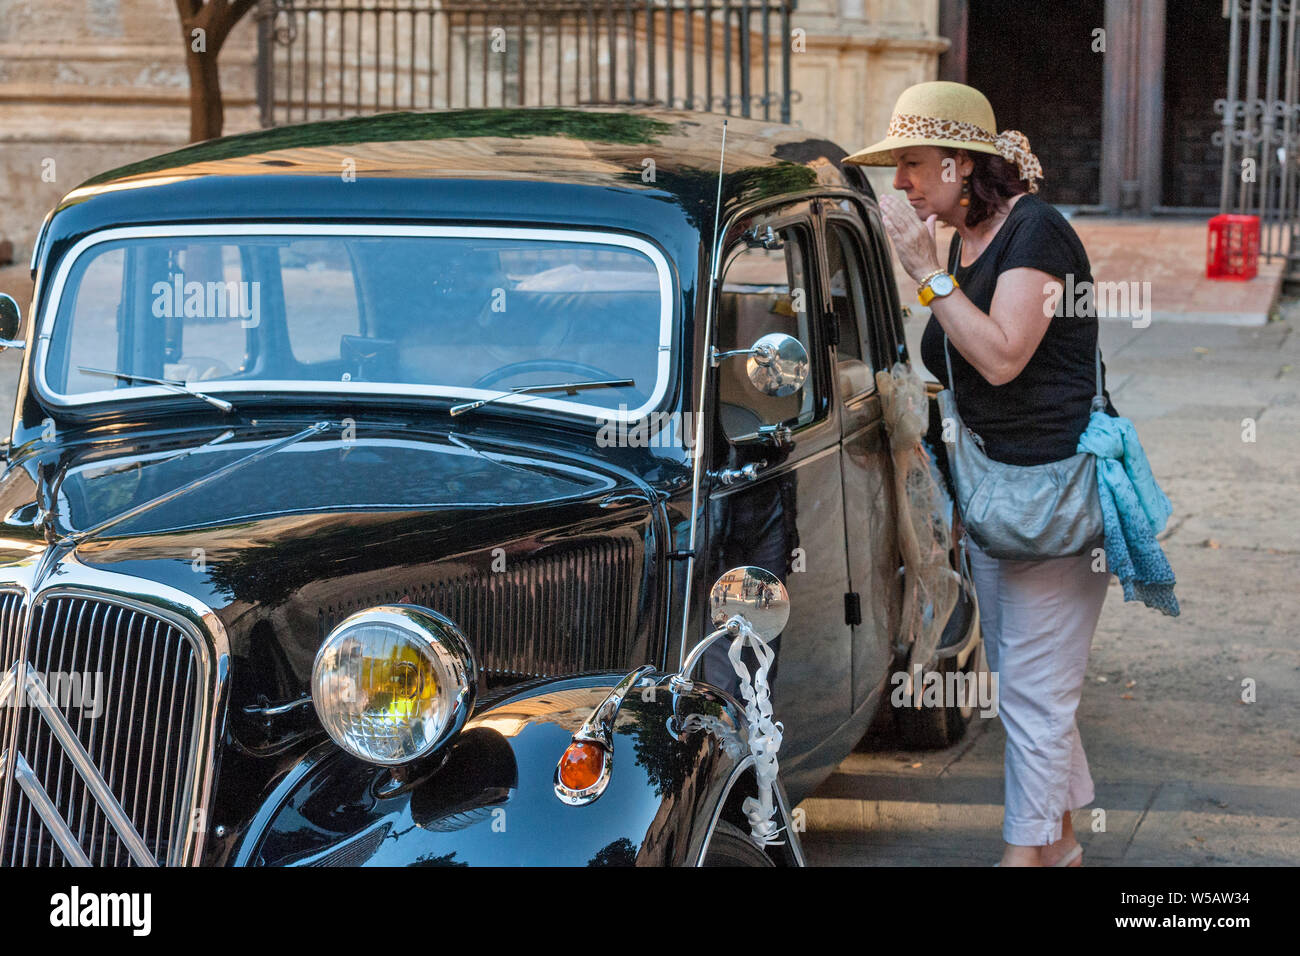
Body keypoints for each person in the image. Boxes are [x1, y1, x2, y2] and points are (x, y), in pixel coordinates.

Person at [845, 81, 1119, 867]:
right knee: (1034, 690)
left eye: (911, 164)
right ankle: (1060, 847)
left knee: (1033, 695)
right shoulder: (965, 240)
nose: (899, 183)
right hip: (996, 495)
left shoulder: (1038, 234)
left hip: (1052, 499)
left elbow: (1001, 356)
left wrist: (925, 276)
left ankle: (1022, 856)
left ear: (961, 166)